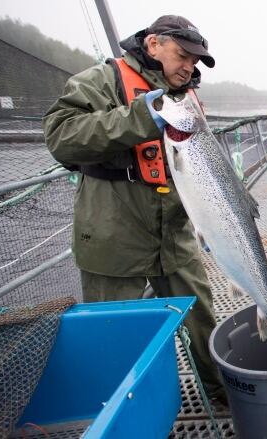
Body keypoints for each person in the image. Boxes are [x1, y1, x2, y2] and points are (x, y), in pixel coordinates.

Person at [43, 15, 228, 405]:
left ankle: (222, 394)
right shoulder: (102, 80)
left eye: (196, 62)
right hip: (114, 238)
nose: (189, 67)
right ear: (154, 44)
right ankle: (127, 413)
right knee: (115, 336)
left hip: (174, 240)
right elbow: (61, 137)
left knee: (203, 321)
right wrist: (140, 117)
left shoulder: (186, 96)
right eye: (183, 56)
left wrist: (212, 223)